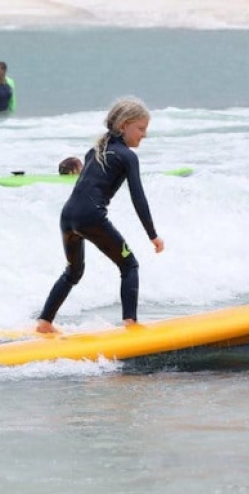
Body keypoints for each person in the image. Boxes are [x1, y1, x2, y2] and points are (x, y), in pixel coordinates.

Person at [36, 97, 165, 334]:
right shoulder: (127, 156)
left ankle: (44, 322)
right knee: (129, 265)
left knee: (73, 272)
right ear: (124, 125)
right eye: (141, 128)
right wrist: (152, 235)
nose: (144, 134)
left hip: (68, 216)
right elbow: (138, 197)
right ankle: (131, 324)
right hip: (91, 217)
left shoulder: (94, 151)